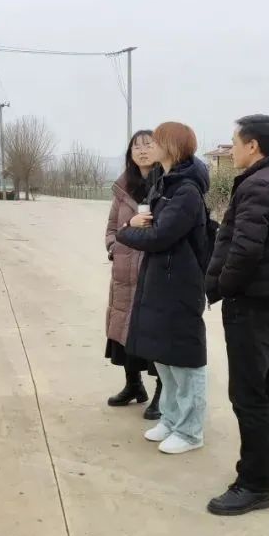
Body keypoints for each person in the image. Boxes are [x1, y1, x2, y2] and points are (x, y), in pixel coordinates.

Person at [205, 114, 269, 516]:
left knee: (249, 394)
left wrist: (223, 286)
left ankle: (252, 484)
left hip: (254, 304)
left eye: (234, 143)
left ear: (253, 146)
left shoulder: (258, 185)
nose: (231, 150)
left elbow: (245, 250)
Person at [115, 122, 210, 455]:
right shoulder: (164, 184)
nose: (149, 146)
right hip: (159, 281)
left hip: (180, 285)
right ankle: (170, 420)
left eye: (155, 141)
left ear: (172, 147)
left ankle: (190, 431)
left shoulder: (186, 192)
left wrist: (125, 231)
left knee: (185, 361)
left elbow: (159, 236)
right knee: (165, 359)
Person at [104, 130, 162, 419]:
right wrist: (115, 248)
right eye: (136, 146)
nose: (142, 150)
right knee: (125, 331)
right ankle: (134, 385)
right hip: (124, 272)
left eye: (148, 144)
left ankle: (163, 392)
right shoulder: (123, 187)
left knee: (156, 333)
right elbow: (112, 229)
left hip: (153, 271)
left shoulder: (166, 184)